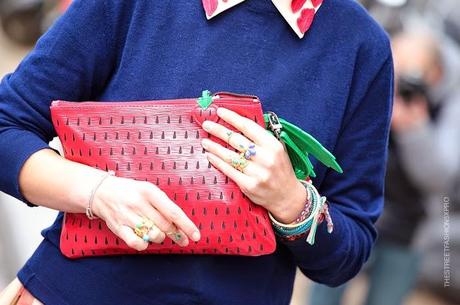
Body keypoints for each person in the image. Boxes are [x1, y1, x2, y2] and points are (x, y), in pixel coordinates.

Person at [0, 1, 393, 304]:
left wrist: (292, 202)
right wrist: (98, 192)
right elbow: (7, 124)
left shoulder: (361, 47)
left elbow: (348, 250)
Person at [309, 29, 460, 305]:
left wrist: (415, 131)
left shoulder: (451, 104)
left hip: (409, 229)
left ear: (434, 75)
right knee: (324, 295)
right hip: (351, 211)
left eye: (406, 78)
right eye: (393, 70)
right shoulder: (374, 81)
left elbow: (442, 178)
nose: (396, 83)